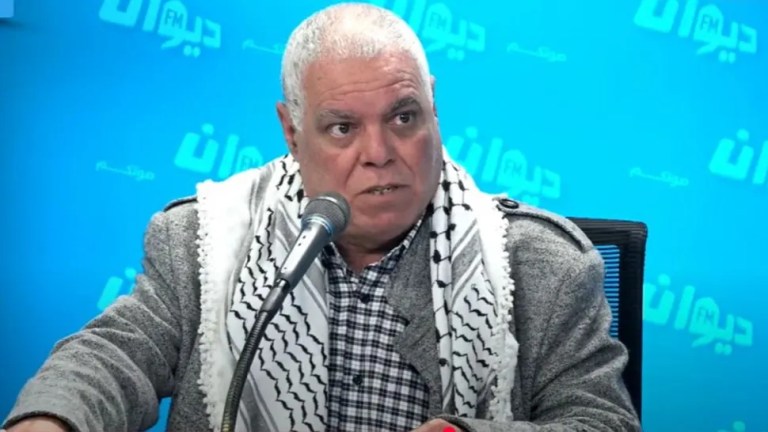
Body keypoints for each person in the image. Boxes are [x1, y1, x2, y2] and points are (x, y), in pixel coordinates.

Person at [2, 2, 641, 431]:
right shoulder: (201, 239)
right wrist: (50, 421)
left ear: (434, 108)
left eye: (404, 117)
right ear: (291, 131)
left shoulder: (543, 266)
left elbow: (600, 422)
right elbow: (115, 354)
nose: (380, 153)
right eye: (342, 128)